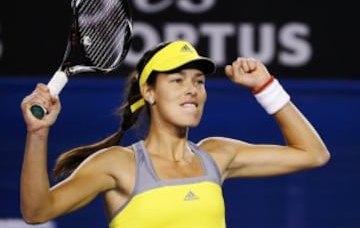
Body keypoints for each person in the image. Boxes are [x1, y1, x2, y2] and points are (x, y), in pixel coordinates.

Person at [20, 40, 330, 228]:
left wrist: (266, 87)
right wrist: (37, 134)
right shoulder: (117, 164)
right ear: (149, 92)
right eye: (177, 80)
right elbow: (37, 211)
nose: (192, 90)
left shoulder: (217, 155)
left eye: (199, 81)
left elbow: (313, 154)